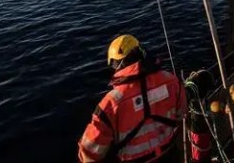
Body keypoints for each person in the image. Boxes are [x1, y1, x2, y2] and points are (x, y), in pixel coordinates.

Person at [78, 35, 186, 163]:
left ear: (115, 65)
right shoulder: (171, 80)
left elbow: (89, 153)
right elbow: (181, 114)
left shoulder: (110, 104)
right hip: (169, 155)